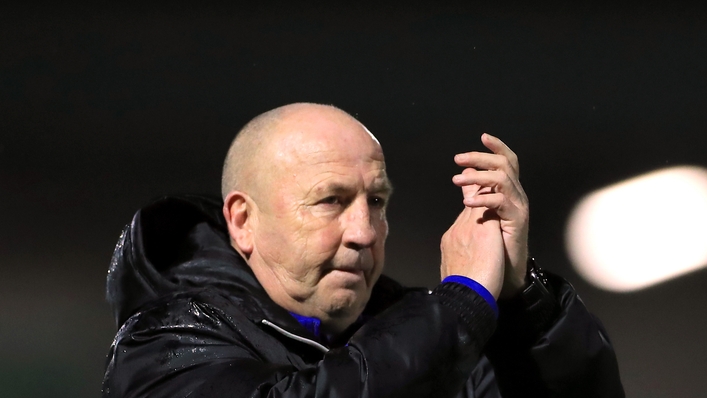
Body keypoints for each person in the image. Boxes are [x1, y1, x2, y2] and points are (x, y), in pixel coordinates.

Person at [102, 103, 624, 397]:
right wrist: (460, 304)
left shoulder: (424, 335)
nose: (364, 231)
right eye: (330, 200)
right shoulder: (164, 343)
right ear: (243, 220)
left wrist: (522, 307)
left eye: (376, 201)